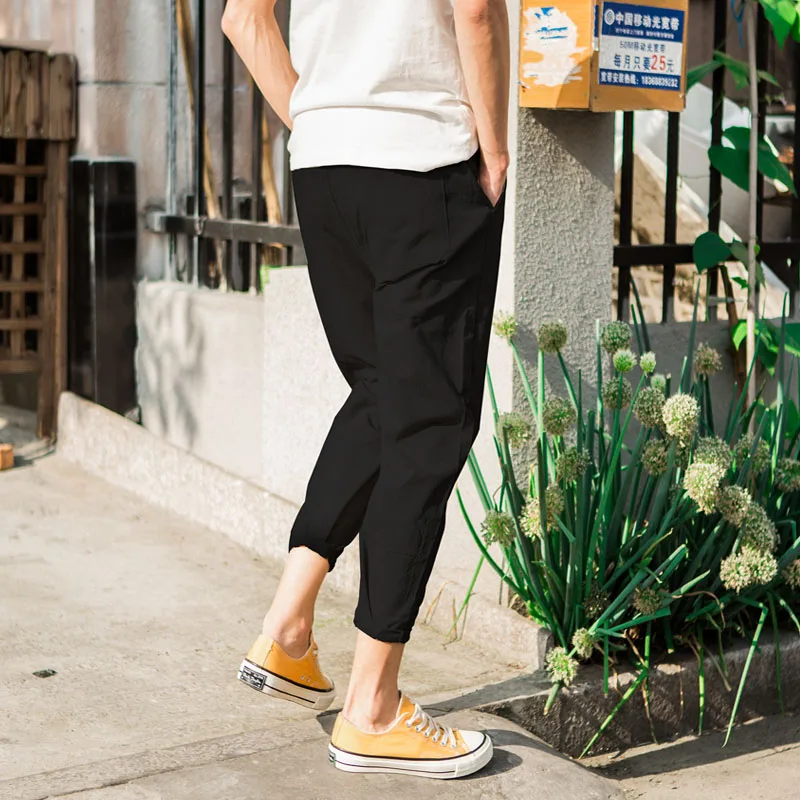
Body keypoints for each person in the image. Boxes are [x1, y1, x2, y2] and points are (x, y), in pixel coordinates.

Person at [222, 0, 510, 780]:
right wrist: (494, 151)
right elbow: (476, 12)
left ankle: (287, 628)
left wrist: (326, 122)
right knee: (428, 424)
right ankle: (373, 711)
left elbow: (243, 19)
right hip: (422, 161)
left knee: (383, 394)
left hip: (323, 166)